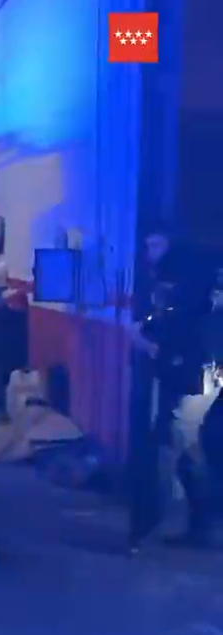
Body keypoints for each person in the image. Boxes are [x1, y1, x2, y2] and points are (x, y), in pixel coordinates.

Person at [128, 228, 215, 552]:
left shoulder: (186, 280)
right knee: (182, 441)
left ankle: (198, 524)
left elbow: (185, 325)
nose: (151, 251)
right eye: (148, 245)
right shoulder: (183, 277)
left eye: (157, 244)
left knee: (182, 441)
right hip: (199, 370)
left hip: (199, 371)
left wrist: (152, 347)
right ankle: (197, 523)